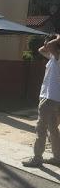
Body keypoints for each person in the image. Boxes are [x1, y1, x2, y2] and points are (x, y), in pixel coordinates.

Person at [23, 34, 60, 167]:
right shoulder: (53, 57)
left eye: (48, 43)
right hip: (54, 98)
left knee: (41, 128)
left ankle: (37, 157)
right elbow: (40, 50)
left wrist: (57, 37)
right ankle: (57, 157)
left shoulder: (57, 56)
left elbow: (48, 47)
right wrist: (48, 43)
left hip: (49, 98)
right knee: (53, 129)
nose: (45, 45)